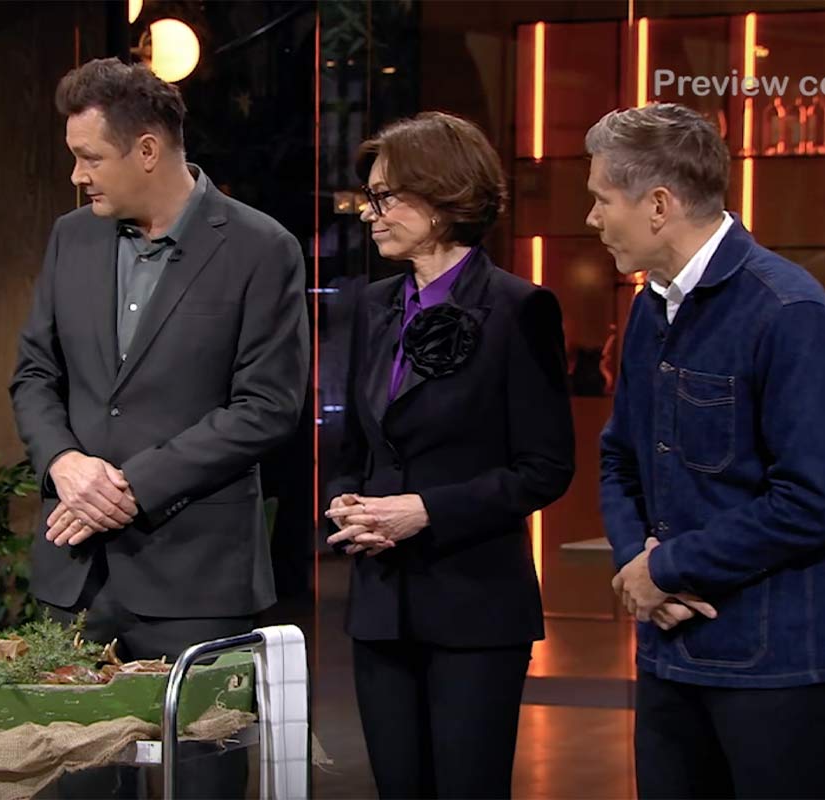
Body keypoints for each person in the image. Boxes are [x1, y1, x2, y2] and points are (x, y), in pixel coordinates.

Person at [10, 57, 308, 798]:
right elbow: (35, 374)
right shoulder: (71, 238)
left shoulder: (261, 247)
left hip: (197, 580)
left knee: (199, 784)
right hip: (74, 578)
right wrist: (65, 463)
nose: (77, 175)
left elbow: (267, 405)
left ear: (146, 149)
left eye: (89, 157)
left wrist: (130, 487)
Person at [325, 111, 575, 799]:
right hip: (381, 606)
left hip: (475, 607)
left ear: (441, 198)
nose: (368, 214)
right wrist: (346, 502)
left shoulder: (520, 309)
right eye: (369, 197)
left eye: (384, 197)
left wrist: (425, 511)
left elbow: (545, 469)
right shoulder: (372, 305)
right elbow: (355, 449)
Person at [593, 103, 825, 799]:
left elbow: (809, 500)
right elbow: (619, 459)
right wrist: (637, 567)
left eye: (602, 199)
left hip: (769, 671)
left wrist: (668, 568)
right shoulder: (648, 307)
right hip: (666, 653)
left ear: (658, 205)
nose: (592, 218)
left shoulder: (787, 310)